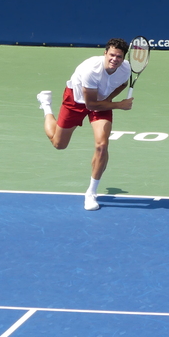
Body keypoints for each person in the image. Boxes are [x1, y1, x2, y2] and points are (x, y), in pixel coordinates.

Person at [37, 38, 133, 211]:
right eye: (111, 55)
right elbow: (90, 105)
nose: (114, 59)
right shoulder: (91, 70)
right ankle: (46, 106)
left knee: (102, 146)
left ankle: (91, 193)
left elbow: (123, 83)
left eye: (118, 56)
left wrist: (109, 98)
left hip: (101, 101)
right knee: (59, 144)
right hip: (77, 101)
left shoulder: (125, 69)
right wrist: (119, 105)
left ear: (123, 57)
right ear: (105, 53)